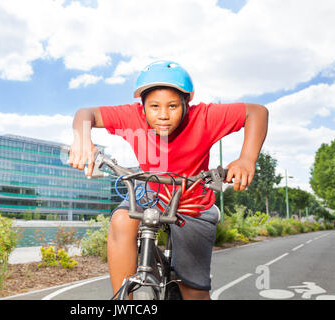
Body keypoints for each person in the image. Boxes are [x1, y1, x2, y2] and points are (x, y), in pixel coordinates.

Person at [68, 60, 268, 300]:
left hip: (192, 199)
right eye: (154, 106)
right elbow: (85, 114)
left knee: (194, 292)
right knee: (122, 220)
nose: (163, 115)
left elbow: (256, 112)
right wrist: (82, 138)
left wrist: (247, 158)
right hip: (151, 191)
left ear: (186, 103)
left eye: (172, 106)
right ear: (142, 106)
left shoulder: (204, 117)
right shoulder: (131, 116)